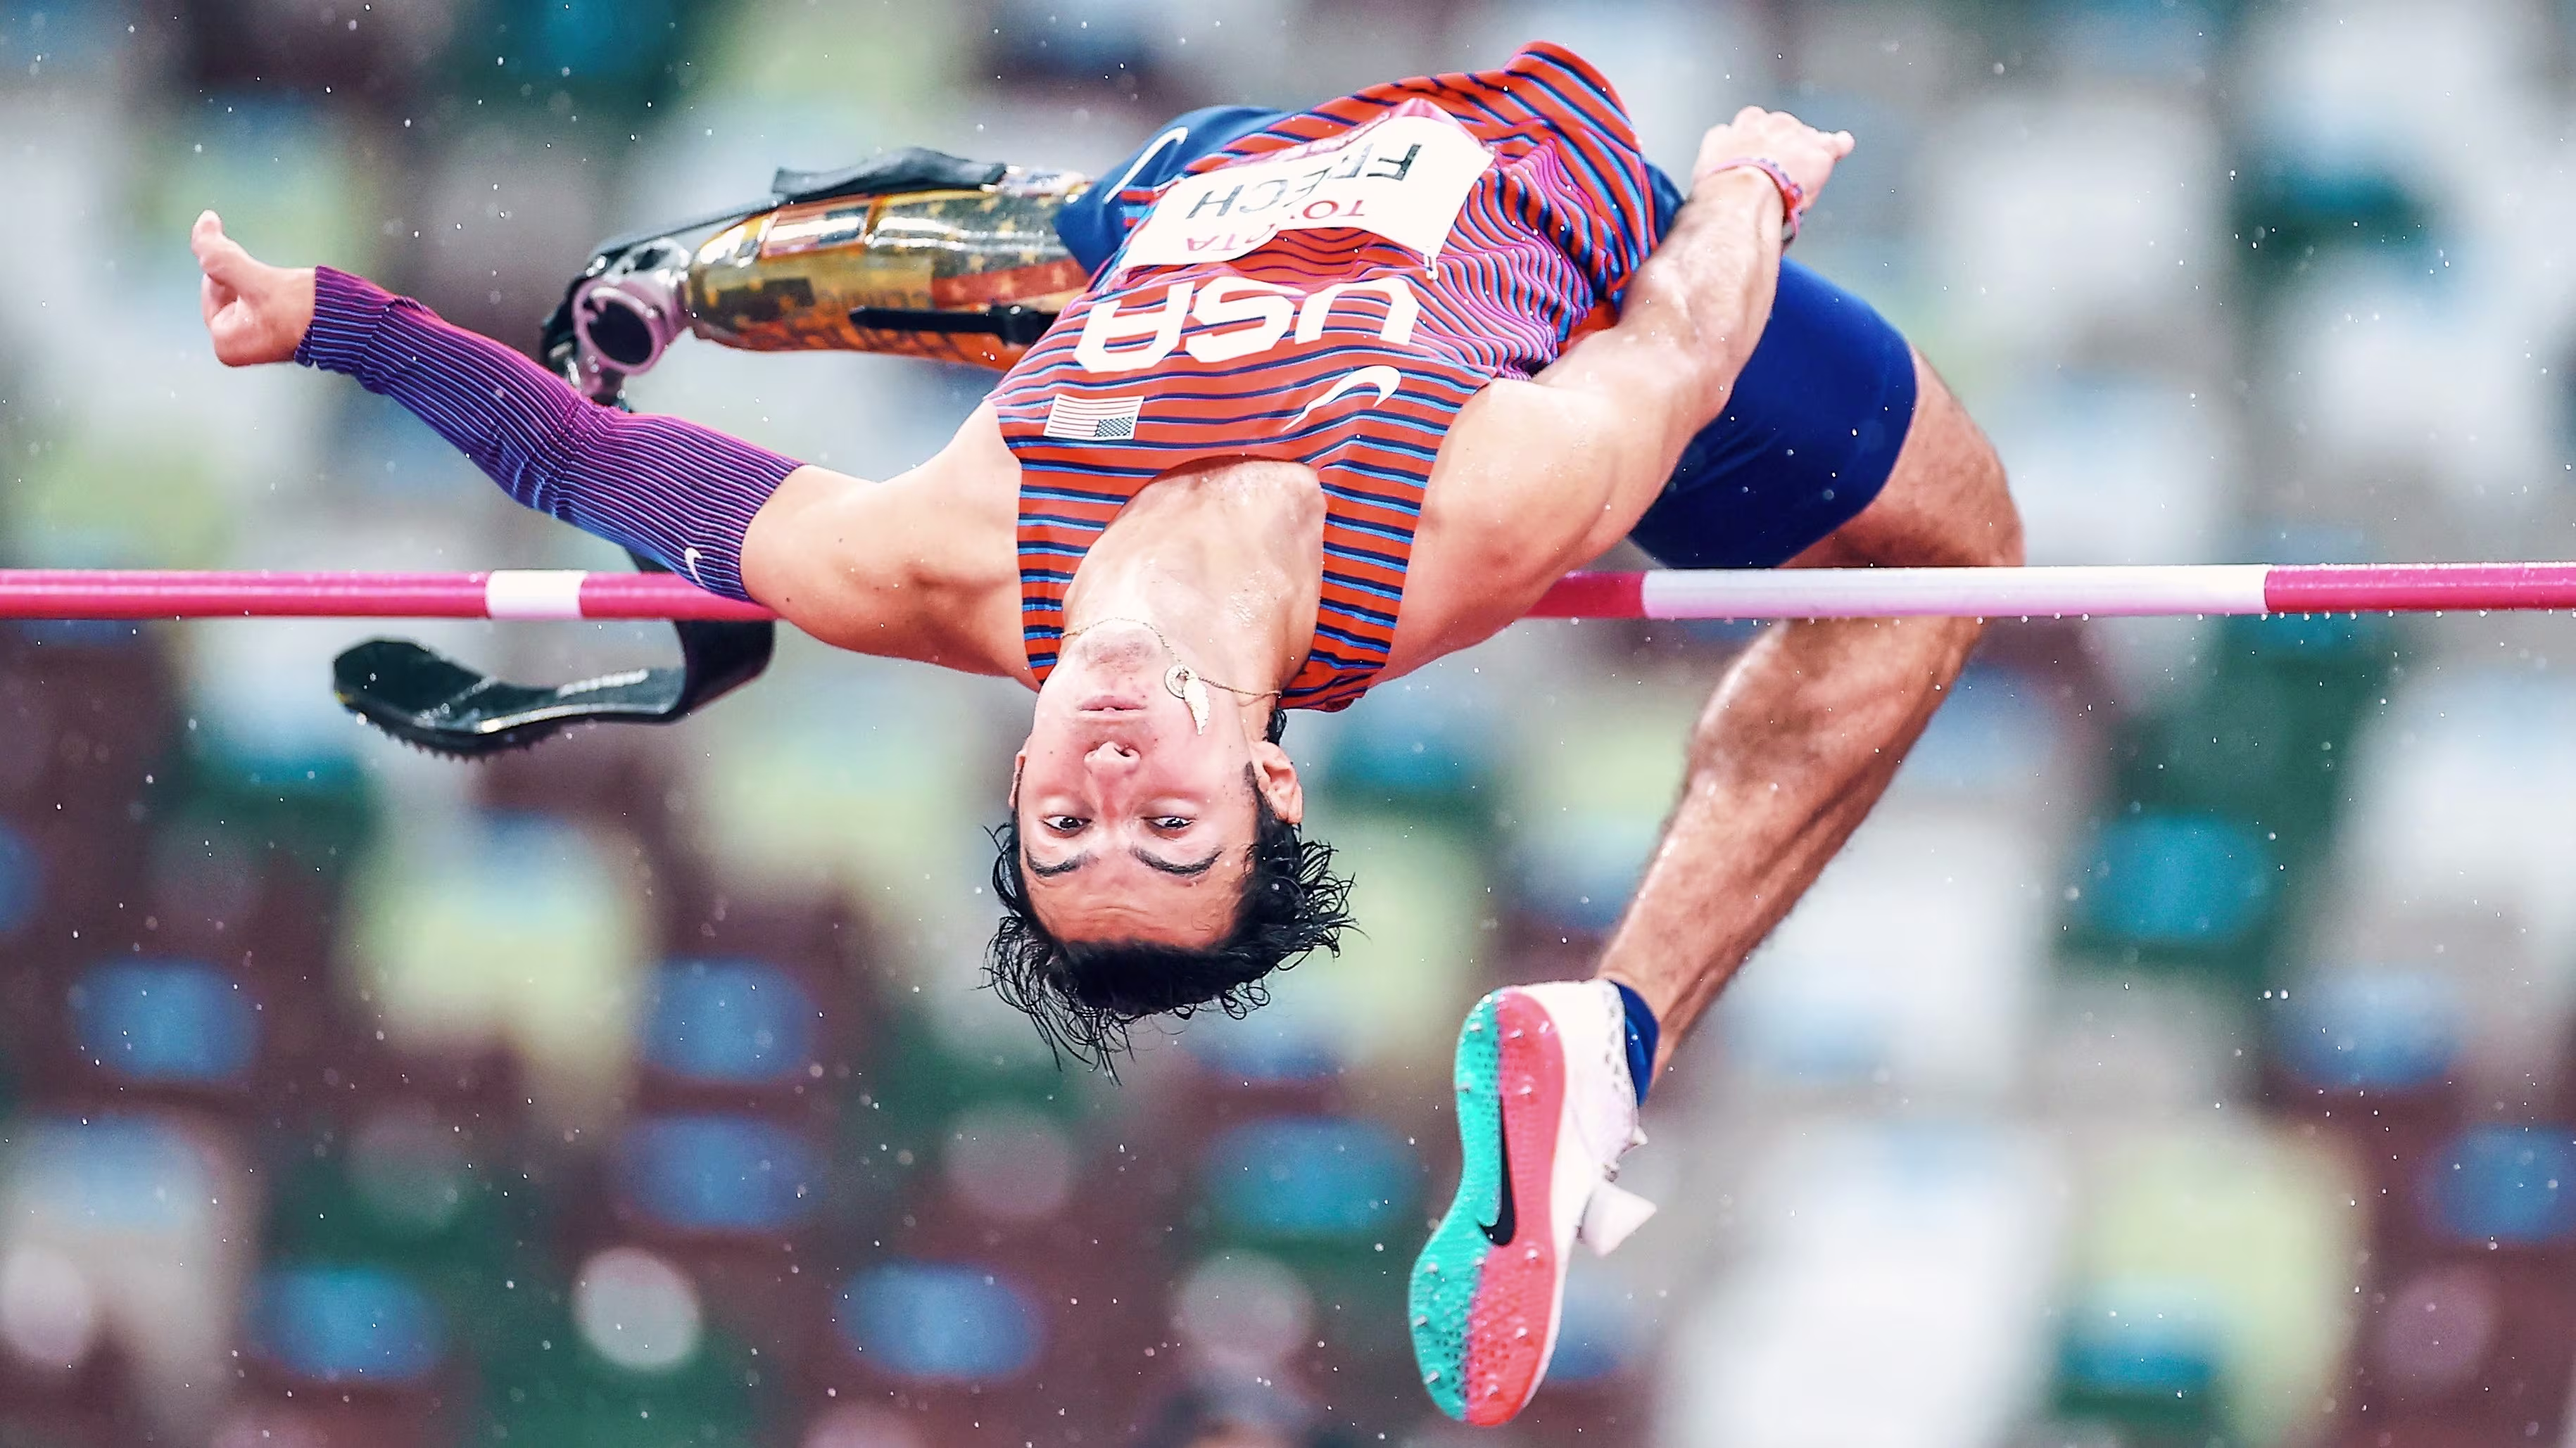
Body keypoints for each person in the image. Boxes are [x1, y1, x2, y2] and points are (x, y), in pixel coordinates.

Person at [192, 44, 2018, 1424]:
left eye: (1070, 837)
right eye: (1172, 831)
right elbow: (1676, 354)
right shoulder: (1454, 517)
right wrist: (1749, 189)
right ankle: (1607, 1033)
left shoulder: (948, 560)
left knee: (1078, 233)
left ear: (1018, 775)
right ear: (1272, 776)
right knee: (1941, 566)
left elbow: (590, 462)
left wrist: (331, 322)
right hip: (1557, 199)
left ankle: (727, 260)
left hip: (1191, 198)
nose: (1116, 789)